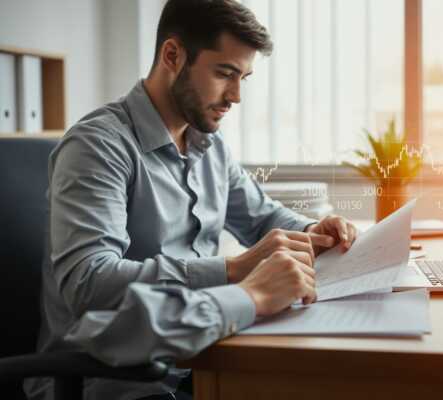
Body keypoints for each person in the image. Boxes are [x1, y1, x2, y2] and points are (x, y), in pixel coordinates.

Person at [24, 0, 358, 399]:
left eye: (243, 78)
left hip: (203, 355)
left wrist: (311, 231)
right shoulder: (97, 146)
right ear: (172, 55)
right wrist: (231, 271)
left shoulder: (208, 144)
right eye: (224, 73)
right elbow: (89, 283)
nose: (235, 96)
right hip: (112, 379)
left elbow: (260, 217)